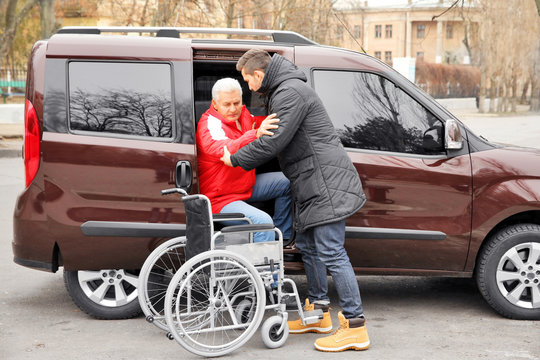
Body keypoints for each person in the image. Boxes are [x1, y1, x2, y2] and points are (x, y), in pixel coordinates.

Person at [220, 50, 370, 352]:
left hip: (325, 183)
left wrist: (234, 158)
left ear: (259, 75)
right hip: (311, 182)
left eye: (248, 80)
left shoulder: (290, 91)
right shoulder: (284, 90)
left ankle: (355, 326)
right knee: (309, 247)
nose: (248, 87)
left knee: (332, 251)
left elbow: (275, 141)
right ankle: (317, 313)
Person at [196, 77, 292, 243]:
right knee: (263, 222)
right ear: (215, 103)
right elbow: (225, 148)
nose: (233, 109)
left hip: (244, 186)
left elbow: (260, 123)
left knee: (288, 182)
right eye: (227, 104)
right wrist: (254, 134)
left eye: (237, 103)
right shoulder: (210, 124)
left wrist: (288, 119)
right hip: (221, 198)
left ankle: (281, 241)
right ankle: (265, 267)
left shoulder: (244, 115)